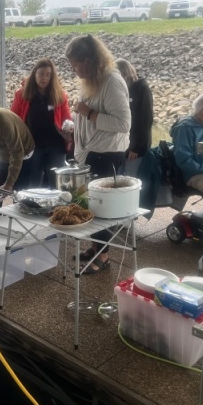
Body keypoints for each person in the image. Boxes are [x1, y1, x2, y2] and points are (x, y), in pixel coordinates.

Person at [65, 34, 131, 274]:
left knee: (101, 207)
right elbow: (88, 112)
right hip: (92, 153)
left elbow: (123, 123)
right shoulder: (93, 80)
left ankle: (103, 256)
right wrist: (78, 118)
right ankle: (95, 247)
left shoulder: (112, 81)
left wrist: (89, 114)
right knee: (91, 205)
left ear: (89, 61)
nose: (74, 71)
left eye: (76, 66)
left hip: (107, 154)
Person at [10, 58, 73, 188]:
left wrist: (69, 127)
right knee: (33, 183)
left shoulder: (60, 95)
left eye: (48, 75)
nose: (44, 78)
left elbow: (66, 118)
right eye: (41, 74)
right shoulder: (22, 94)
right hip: (33, 146)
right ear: (34, 73)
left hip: (55, 145)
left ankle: (56, 201)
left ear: (52, 77)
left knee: (57, 183)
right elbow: (13, 118)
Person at [115, 58, 154, 177]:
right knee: (117, 177)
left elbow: (145, 120)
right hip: (121, 146)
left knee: (132, 179)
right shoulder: (121, 90)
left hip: (136, 149)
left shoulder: (142, 89)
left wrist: (136, 148)